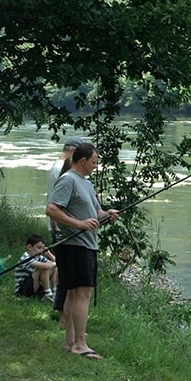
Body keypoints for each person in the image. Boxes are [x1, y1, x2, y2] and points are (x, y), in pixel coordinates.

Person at [46, 142, 120, 360]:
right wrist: (78, 224)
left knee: (72, 292)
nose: (95, 166)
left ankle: (70, 342)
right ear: (82, 160)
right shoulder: (68, 180)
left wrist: (107, 214)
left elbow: (95, 213)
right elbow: (51, 209)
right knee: (83, 292)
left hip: (87, 244)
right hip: (74, 245)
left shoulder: (85, 184)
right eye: (94, 162)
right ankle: (80, 343)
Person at [47, 137, 82, 321]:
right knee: (66, 276)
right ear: (73, 152)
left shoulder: (59, 168)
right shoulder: (62, 173)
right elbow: (57, 206)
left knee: (64, 274)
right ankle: (62, 315)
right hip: (62, 229)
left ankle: (63, 315)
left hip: (62, 228)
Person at [14, 234, 58, 300]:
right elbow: (46, 266)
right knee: (44, 268)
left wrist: (49, 254)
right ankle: (48, 293)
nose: (41, 251)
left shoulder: (39, 257)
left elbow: (57, 263)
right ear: (29, 247)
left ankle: (55, 292)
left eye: (43, 248)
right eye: (39, 248)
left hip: (34, 285)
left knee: (55, 268)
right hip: (23, 289)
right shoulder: (25, 258)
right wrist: (54, 263)